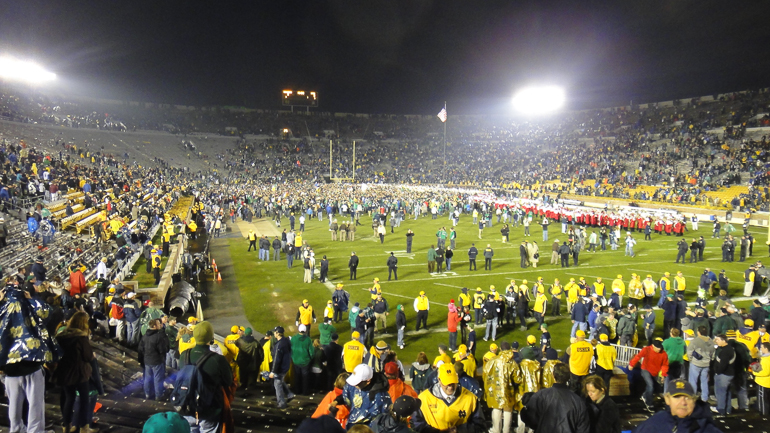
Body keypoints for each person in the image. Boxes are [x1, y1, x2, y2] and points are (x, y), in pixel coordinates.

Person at [177, 320, 235, 431]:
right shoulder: (218, 359)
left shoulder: (184, 355)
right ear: (210, 338)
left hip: (187, 405)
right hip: (209, 408)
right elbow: (228, 382)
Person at [412, 364, 486, 432]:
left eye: (453, 383)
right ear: (439, 380)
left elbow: (480, 425)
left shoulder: (470, 398)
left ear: (457, 377)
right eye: (447, 383)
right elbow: (416, 424)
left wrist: (460, 430)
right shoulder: (424, 399)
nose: (450, 387)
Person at [520, 363, 590, 433]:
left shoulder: (540, 395)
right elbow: (583, 428)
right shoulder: (578, 401)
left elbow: (529, 418)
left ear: (553, 376)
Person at [55, 311, 95, 433]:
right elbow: (87, 357)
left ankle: (66, 427)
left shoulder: (61, 336)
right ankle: (84, 428)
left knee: (68, 398)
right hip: (79, 372)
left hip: (64, 371)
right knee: (84, 400)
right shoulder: (81, 337)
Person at [634, 378, 722, 433]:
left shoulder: (706, 428)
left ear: (694, 401)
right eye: (677, 397)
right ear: (667, 400)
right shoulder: (654, 424)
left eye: (687, 398)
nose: (683, 402)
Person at [629, 338, 669, 413]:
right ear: (653, 346)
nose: (658, 350)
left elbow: (665, 365)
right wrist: (632, 364)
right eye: (657, 349)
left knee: (656, 387)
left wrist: (663, 374)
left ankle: (644, 395)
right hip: (645, 369)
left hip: (655, 372)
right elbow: (638, 356)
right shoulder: (646, 349)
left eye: (660, 349)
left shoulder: (663, 354)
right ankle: (649, 403)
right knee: (650, 385)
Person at [139, 318, 170, 400]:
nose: (160, 325)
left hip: (147, 361)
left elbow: (140, 349)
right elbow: (164, 350)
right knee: (158, 379)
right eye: (158, 324)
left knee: (147, 379)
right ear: (154, 326)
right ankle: (158, 396)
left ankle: (147, 394)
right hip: (157, 362)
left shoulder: (145, 336)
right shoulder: (158, 337)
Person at [687, 326, 715, 404]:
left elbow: (689, 352)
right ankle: (704, 398)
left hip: (695, 363)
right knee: (704, 381)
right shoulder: (711, 341)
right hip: (706, 364)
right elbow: (713, 354)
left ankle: (693, 397)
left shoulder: (695, 341)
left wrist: (691, 359)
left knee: (693, 381)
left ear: (698, 332)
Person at [269, 326, 295, 409]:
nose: (274, 334)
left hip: (280, 368)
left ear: (277, 333)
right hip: (286, 365)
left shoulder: (279, 345)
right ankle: (289, 394)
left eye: (275, 332)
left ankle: (282, 403)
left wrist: (273, 371)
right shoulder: (286, 341)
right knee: (280, 380)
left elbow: (277, 359)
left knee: (277, 383)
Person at [712, 334, 735, 417]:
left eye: (717, 340)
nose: (716, 341)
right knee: (727, 392)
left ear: (723, 340)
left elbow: (723, 365)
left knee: (720, 393)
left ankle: (721, 410)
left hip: (723, 375)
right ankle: (728, 409)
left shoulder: (725, 351)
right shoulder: (730, 349)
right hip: (729, 374)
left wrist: (717, 371)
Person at [754, 342, 770, 416]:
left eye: (762, 347)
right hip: (767, 383)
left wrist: (755, 373)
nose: (760, 349)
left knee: (762, 401)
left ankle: (763, 415)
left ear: (766, 349)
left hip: (763, 383)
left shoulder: (767, 359)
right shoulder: (764, 357)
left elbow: (765, 372)